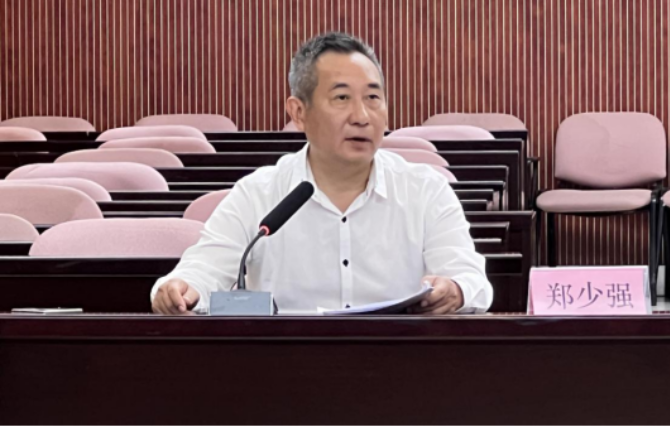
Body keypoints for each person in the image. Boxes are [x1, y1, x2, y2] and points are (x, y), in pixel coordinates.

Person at [152, 32, 493, 315]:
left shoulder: (426, 190)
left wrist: (456, 290)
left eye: (373, 97)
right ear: (299, 112)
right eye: (341, 98)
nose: (361, 116)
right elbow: (203, 269)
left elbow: (472, 279)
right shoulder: (258, 194)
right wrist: (180, 289)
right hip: (288, 364)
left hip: (397, 362)